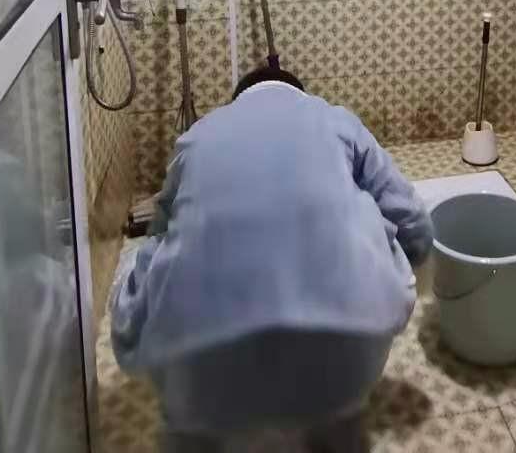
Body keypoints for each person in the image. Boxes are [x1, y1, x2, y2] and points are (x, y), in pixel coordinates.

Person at [109, 69, 433, 452]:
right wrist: (416, 259)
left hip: (205, 378)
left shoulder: (197, 136)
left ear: (238, 99)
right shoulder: (336, 120)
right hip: (346, 365)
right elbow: (408, 215)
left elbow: (161, 227)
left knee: (148, 253)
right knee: (371, 223)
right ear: (299, 93)